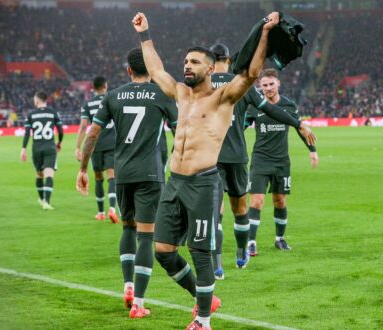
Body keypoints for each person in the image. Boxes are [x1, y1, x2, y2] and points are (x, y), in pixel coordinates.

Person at [127, 11, 279, 330]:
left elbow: (250, 74)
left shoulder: (222, 98)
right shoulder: (181, 95)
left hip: (202, 184)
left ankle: (204, 321)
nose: (187, 67)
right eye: (185, 62)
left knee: (200, 252)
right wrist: (144, 34)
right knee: (163, 251)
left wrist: (264, 34)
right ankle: (201, 296)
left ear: (210, 68)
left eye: (194, 62)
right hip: (174, 183)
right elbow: (155, 69)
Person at [76, 48, 178, 318]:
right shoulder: (163, 95)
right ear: (152, 69)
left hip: (123, 174)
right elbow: (180, 135)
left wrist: (83, 168)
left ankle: (128, 286)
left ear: (128, 70)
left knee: (128, 228)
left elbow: (93, 134)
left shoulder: (113, 95)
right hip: (150, 174)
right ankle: (139, 304)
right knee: (147, 235)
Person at [209, 43, 316, 280]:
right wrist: (298, 123)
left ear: (209, 61)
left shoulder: (201, 85)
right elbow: (270, 108)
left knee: (215, 211)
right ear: (228, 60)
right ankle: (240, 251)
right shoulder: (242, 84)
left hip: (210, 156)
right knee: (241, 209)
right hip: (237, 156)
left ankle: (217, 265)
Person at [247, 68, 318, 256]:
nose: (268, 88)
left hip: (281, 162)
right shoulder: (255, 106)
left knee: (280, 200)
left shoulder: (288, 105)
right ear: (259, 87)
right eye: (264, 85)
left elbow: (300, 128)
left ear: (278, 83)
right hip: (260, 160)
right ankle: (251, 242)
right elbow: (240, 124)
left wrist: (312, 151)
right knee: (257, 201)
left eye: (271, 84)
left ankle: (280, 239)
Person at [75, 76, 119, 223]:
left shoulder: (87, 105)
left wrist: (78, 147)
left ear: (93, 88)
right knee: (112, 176)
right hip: (112, 143)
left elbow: (83, 127)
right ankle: (112, 209)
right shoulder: (112, 98)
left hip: (95, 145)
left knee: (98, 178)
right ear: (105, 86)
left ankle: (100, 213)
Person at [20, 92, 63, 210]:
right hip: (50, 147)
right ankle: (47, 202)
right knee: (49, 174)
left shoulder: (31, 115)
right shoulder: (53, 113)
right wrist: (59, 143)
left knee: (39, 174)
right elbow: (60, 131)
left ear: (38, 100)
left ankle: (41, 199)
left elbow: (27, 133)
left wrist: (23, 149)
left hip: (37, 148)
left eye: (34, 99)